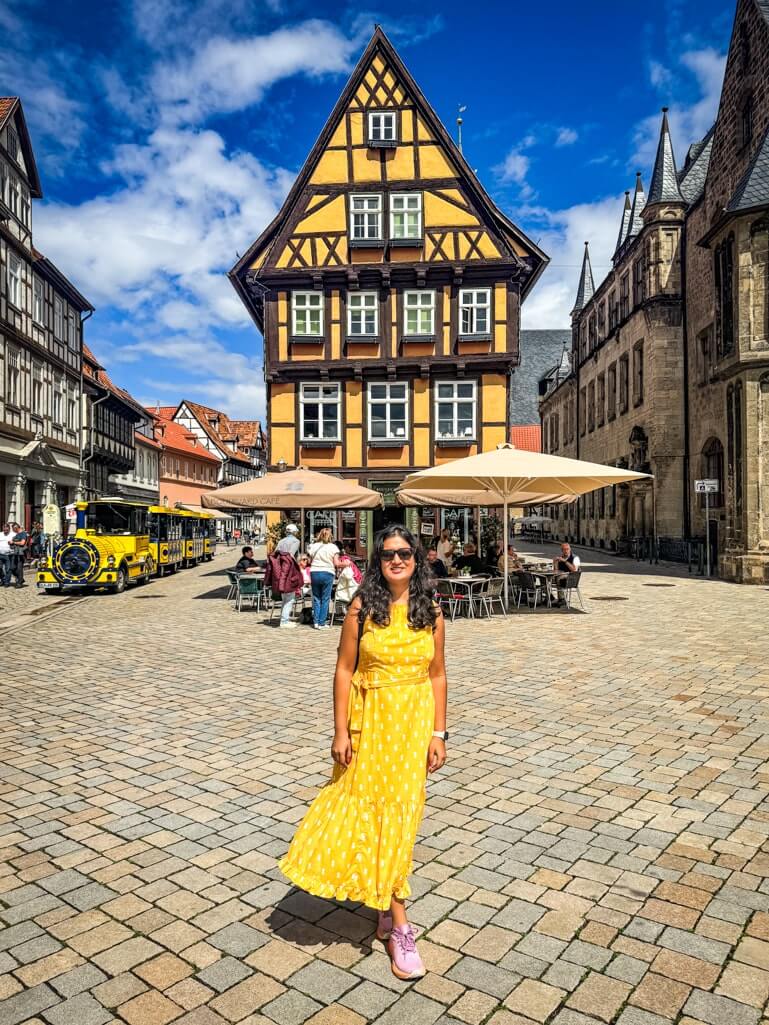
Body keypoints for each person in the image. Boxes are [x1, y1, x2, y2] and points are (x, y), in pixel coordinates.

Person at [279, 525, 448, 981]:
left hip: (412, 727)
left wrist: (439, 733)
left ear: (417, 560)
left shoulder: (431, 612)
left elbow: (437, 676)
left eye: (405, 553)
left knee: (402, 817)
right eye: (389, 553)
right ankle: (400, 925)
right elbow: (343, 669)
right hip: (370, 723)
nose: (397, 560)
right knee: (375, 813)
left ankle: (386, 905)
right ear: (378, 560)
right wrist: (340, 731)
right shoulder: (361, 608)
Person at [308, 527, 342, 629]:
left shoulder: (313, 546)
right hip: (327, 572)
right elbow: (336, 563)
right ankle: (322, 622)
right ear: (330, 536)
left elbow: (309, 561)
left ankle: (315, 622)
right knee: (325, 598)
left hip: (314, 571)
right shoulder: (333, 547)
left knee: (316, 598)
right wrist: (345, 564)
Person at [275, 524, 301, 629]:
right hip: (290, 571)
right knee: (290, 598)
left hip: (281, 571)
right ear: (294, 532)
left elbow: (276, 554)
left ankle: (284, 618)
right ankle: (284, 621)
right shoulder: (296, 541)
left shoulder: (281, 541)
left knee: (284, 597)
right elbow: (291, 555)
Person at [9, 523, 28, 587]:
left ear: (16, 528)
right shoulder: (17, 534)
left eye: (13, 529)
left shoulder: (23, 534)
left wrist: (14, 542)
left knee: (19, 568)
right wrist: (11, 543)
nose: (13, 530)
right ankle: (21, 579)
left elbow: (22, 543)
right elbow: (15, 543)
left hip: (21, 554)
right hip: (15, 553)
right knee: (12, 568)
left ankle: (19, 583)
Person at [0, 523, 15, 588]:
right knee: (0, 568)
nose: (5, 529)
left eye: (7, 528)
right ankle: (3, 580)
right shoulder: (0, 534)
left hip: (9, 555)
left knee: (8, 569)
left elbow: (17, 542)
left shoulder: (13, 535)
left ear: (9, 528)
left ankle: (6, 582)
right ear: (3, 528)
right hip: (0, 554)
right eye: (4, 528)